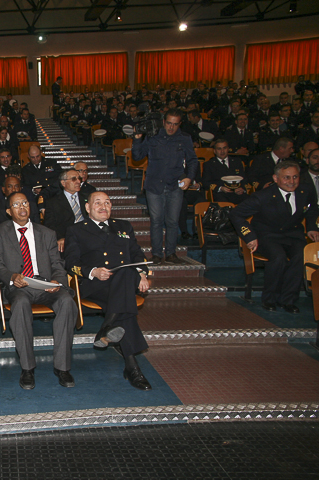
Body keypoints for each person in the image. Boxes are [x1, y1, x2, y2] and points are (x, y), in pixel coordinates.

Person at [0, 191, 78, 390]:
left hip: (45, 284)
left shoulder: (46, 233)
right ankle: (27, 368)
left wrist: (57, 281)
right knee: (20, 304)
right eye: (16, 205)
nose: (22, 207)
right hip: (19, 286)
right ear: (8, 211)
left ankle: (62, 367)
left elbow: (57, 264)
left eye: (25, 203)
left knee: (66, 301)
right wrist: (12, 276)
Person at [64, 191, 152, 390]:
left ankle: (112, 337)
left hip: (124, 282)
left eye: (107, 203)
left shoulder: (124, 226)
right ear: (88, 208)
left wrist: (142, 273)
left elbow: (136, 254)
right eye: (98, 203)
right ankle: (111, 334)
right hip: (96, 285)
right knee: (124, 302)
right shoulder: (76, 230)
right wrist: (93, 271)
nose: (103, 207)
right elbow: (70, 263)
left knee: (125, 273)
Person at [230, 160, 319, 313]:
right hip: (267, 235)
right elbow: (236, 214)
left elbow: (312, 209)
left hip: (293, 234)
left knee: (300, 257)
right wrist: (249, 236)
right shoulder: (263, 196)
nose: (291, 182)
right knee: (278, 258)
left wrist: (311, 227)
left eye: (295, 177)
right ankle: (269, 299)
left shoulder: (305, 191)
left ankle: (288, 300)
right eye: (286, 177)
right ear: (276, 178)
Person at [132, 108, 197, 264]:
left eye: (175, 124)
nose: (171, 127)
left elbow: (193, 160)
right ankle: (156, 254)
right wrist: (137, 139)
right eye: (168, 123)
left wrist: (189, 177)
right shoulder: (153, 136)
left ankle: (171, 253)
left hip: (175, 184)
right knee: (156, 220)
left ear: (180, 124)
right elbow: (137, 157)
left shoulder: (184, 138)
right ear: (163, 122)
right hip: (154, 185)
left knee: (172, 221)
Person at [42, 169, 87, 253]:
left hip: (87, 236)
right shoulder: (53, 202)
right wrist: (59, 237)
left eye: (79, 178)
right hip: (66, 239)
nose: (78, 182)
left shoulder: (87, 198)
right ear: (63, 183)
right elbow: (49, 225)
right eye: (74, 179)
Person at [201, 139, 249, 204]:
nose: (222, 151)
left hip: (237, 192)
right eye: (219, 149)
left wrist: (242, 188)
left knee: (250, 202)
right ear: (214, 151)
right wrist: (220, 188)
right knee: (224, 203)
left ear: (228, 149)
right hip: (220, 193)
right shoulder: (209, 164)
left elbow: (244, 178)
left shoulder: (237, 162)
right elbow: (206, 182)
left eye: (224, 148)